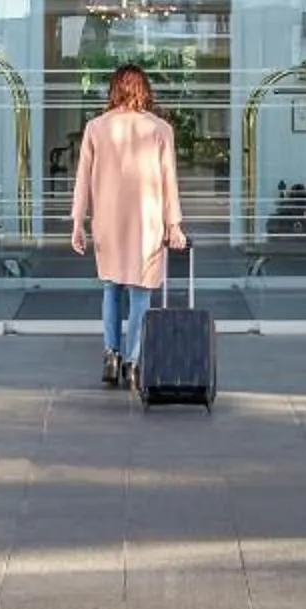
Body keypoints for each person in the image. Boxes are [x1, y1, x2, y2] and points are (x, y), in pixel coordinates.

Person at [69, 61, 187, 388]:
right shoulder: (161, 129)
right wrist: (174, 224)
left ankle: (111, 354)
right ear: (144, 90)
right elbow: (168, 181)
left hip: (107, 220)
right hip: (147, 221)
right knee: (139, 294)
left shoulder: (96, 127)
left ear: (114, 90)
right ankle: (133, 362)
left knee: (111, 288)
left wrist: (78, 221)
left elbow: (82, 180)